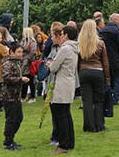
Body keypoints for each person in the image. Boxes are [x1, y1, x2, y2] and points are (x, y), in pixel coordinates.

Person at [48, 25, 79, 154]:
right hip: (69, 82)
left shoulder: (65, 48)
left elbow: (54, 67)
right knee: (66, 114)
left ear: (65, 35)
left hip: (62, 84)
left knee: (61, 115)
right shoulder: (74, 47)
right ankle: (69, 142)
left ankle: (64, 144)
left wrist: (50, 64)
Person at [78, 19, 110, 132]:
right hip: (97, 71)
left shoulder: (80, 44)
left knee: (86, 101)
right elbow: (105, 62)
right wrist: (107, 78)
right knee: (98, 100)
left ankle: (89, 126)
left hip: (84, 71)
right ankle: (99, 125)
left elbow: (77, 61)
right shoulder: (100, 43)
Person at [1, 43, 30, 151]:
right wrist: (20, 79)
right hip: (8, 96)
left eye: (21, 52)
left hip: (15, 95)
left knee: (18, 118)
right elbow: (7, 78)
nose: (20, 54)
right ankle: (8, 142)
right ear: (11, 52)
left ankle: (10, 139)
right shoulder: (8, 63)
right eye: (18, 52)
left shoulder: (17, 63)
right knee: (11, 119)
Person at [99, 13, 119, 104]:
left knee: (106, 78)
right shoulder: (117, 32)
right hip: (115, 58)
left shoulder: (102, 31)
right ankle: (115, 98)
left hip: (104, 58)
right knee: (117, 78)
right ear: (115, 20)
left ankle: (106, 97)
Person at [20, 27, 37, 103]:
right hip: (23, 62)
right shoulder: (23, 41)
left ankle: (33, 97)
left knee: (31, 81)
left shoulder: (32, 41)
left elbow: (33, 52)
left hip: (29, 64)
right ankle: (23, 96)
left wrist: (27, 59)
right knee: (24, 81)